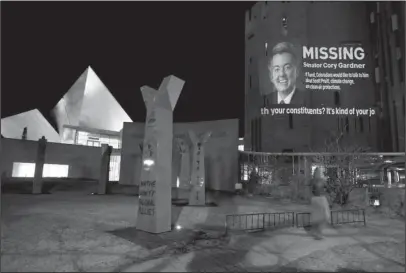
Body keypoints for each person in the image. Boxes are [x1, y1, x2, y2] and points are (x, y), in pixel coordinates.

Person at [309, 167, 331, 240]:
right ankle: (319, 233)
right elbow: (328, 189)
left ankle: (317, 232)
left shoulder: (313, 181)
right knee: (323, 216)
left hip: (315, 199)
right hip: (321, 199)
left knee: (317, 217)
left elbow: (311, 190)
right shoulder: (322, 181)